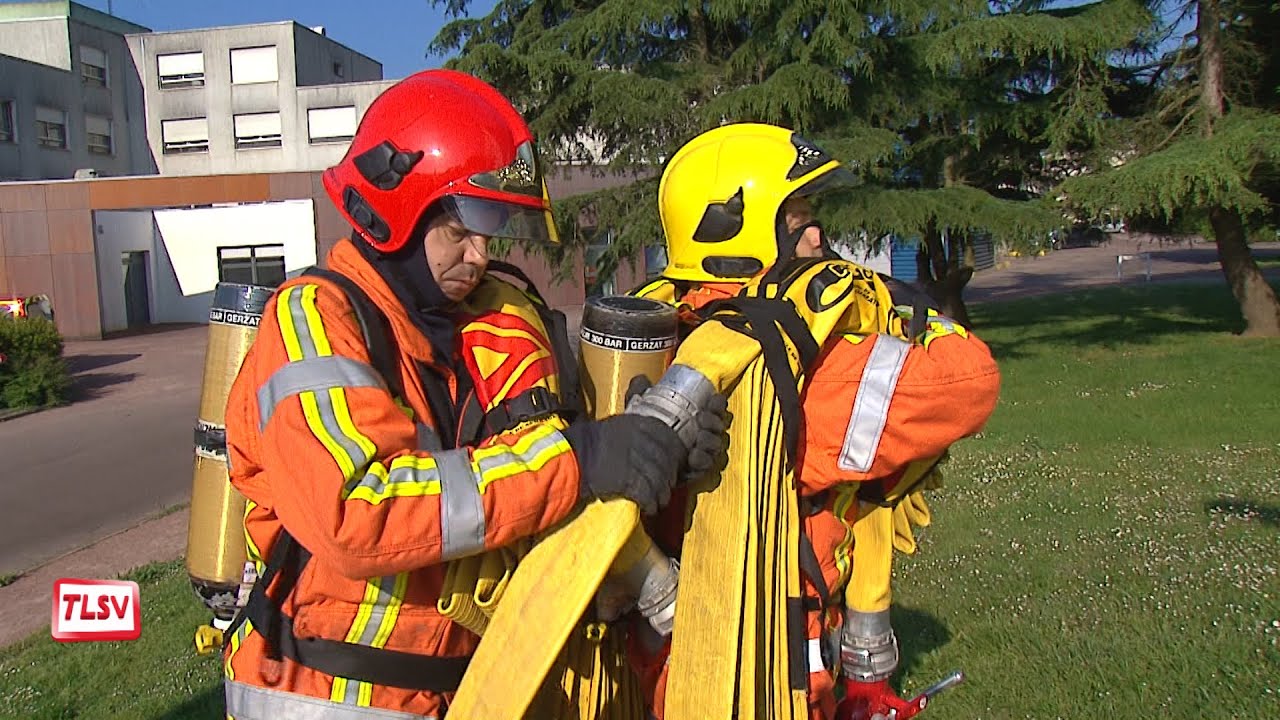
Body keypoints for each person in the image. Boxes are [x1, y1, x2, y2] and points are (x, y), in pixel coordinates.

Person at [220, 69, 725, 720]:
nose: (481, 256)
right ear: (397, 212)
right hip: (323, 696)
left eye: (489, 234)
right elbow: (355, 512)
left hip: (460, 691)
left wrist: (656, 451)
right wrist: (580, 460)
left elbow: (517, 482)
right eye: (460, 231)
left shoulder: (457, 329)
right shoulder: (312, 322)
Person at [628, 122, 1001, 720]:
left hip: (677, 664)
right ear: (736, 230)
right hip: (768, 679)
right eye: (798, 220)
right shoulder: (802, 365)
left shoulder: (666, 334)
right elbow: (970, 383)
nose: (819, 236)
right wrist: (916, 315)